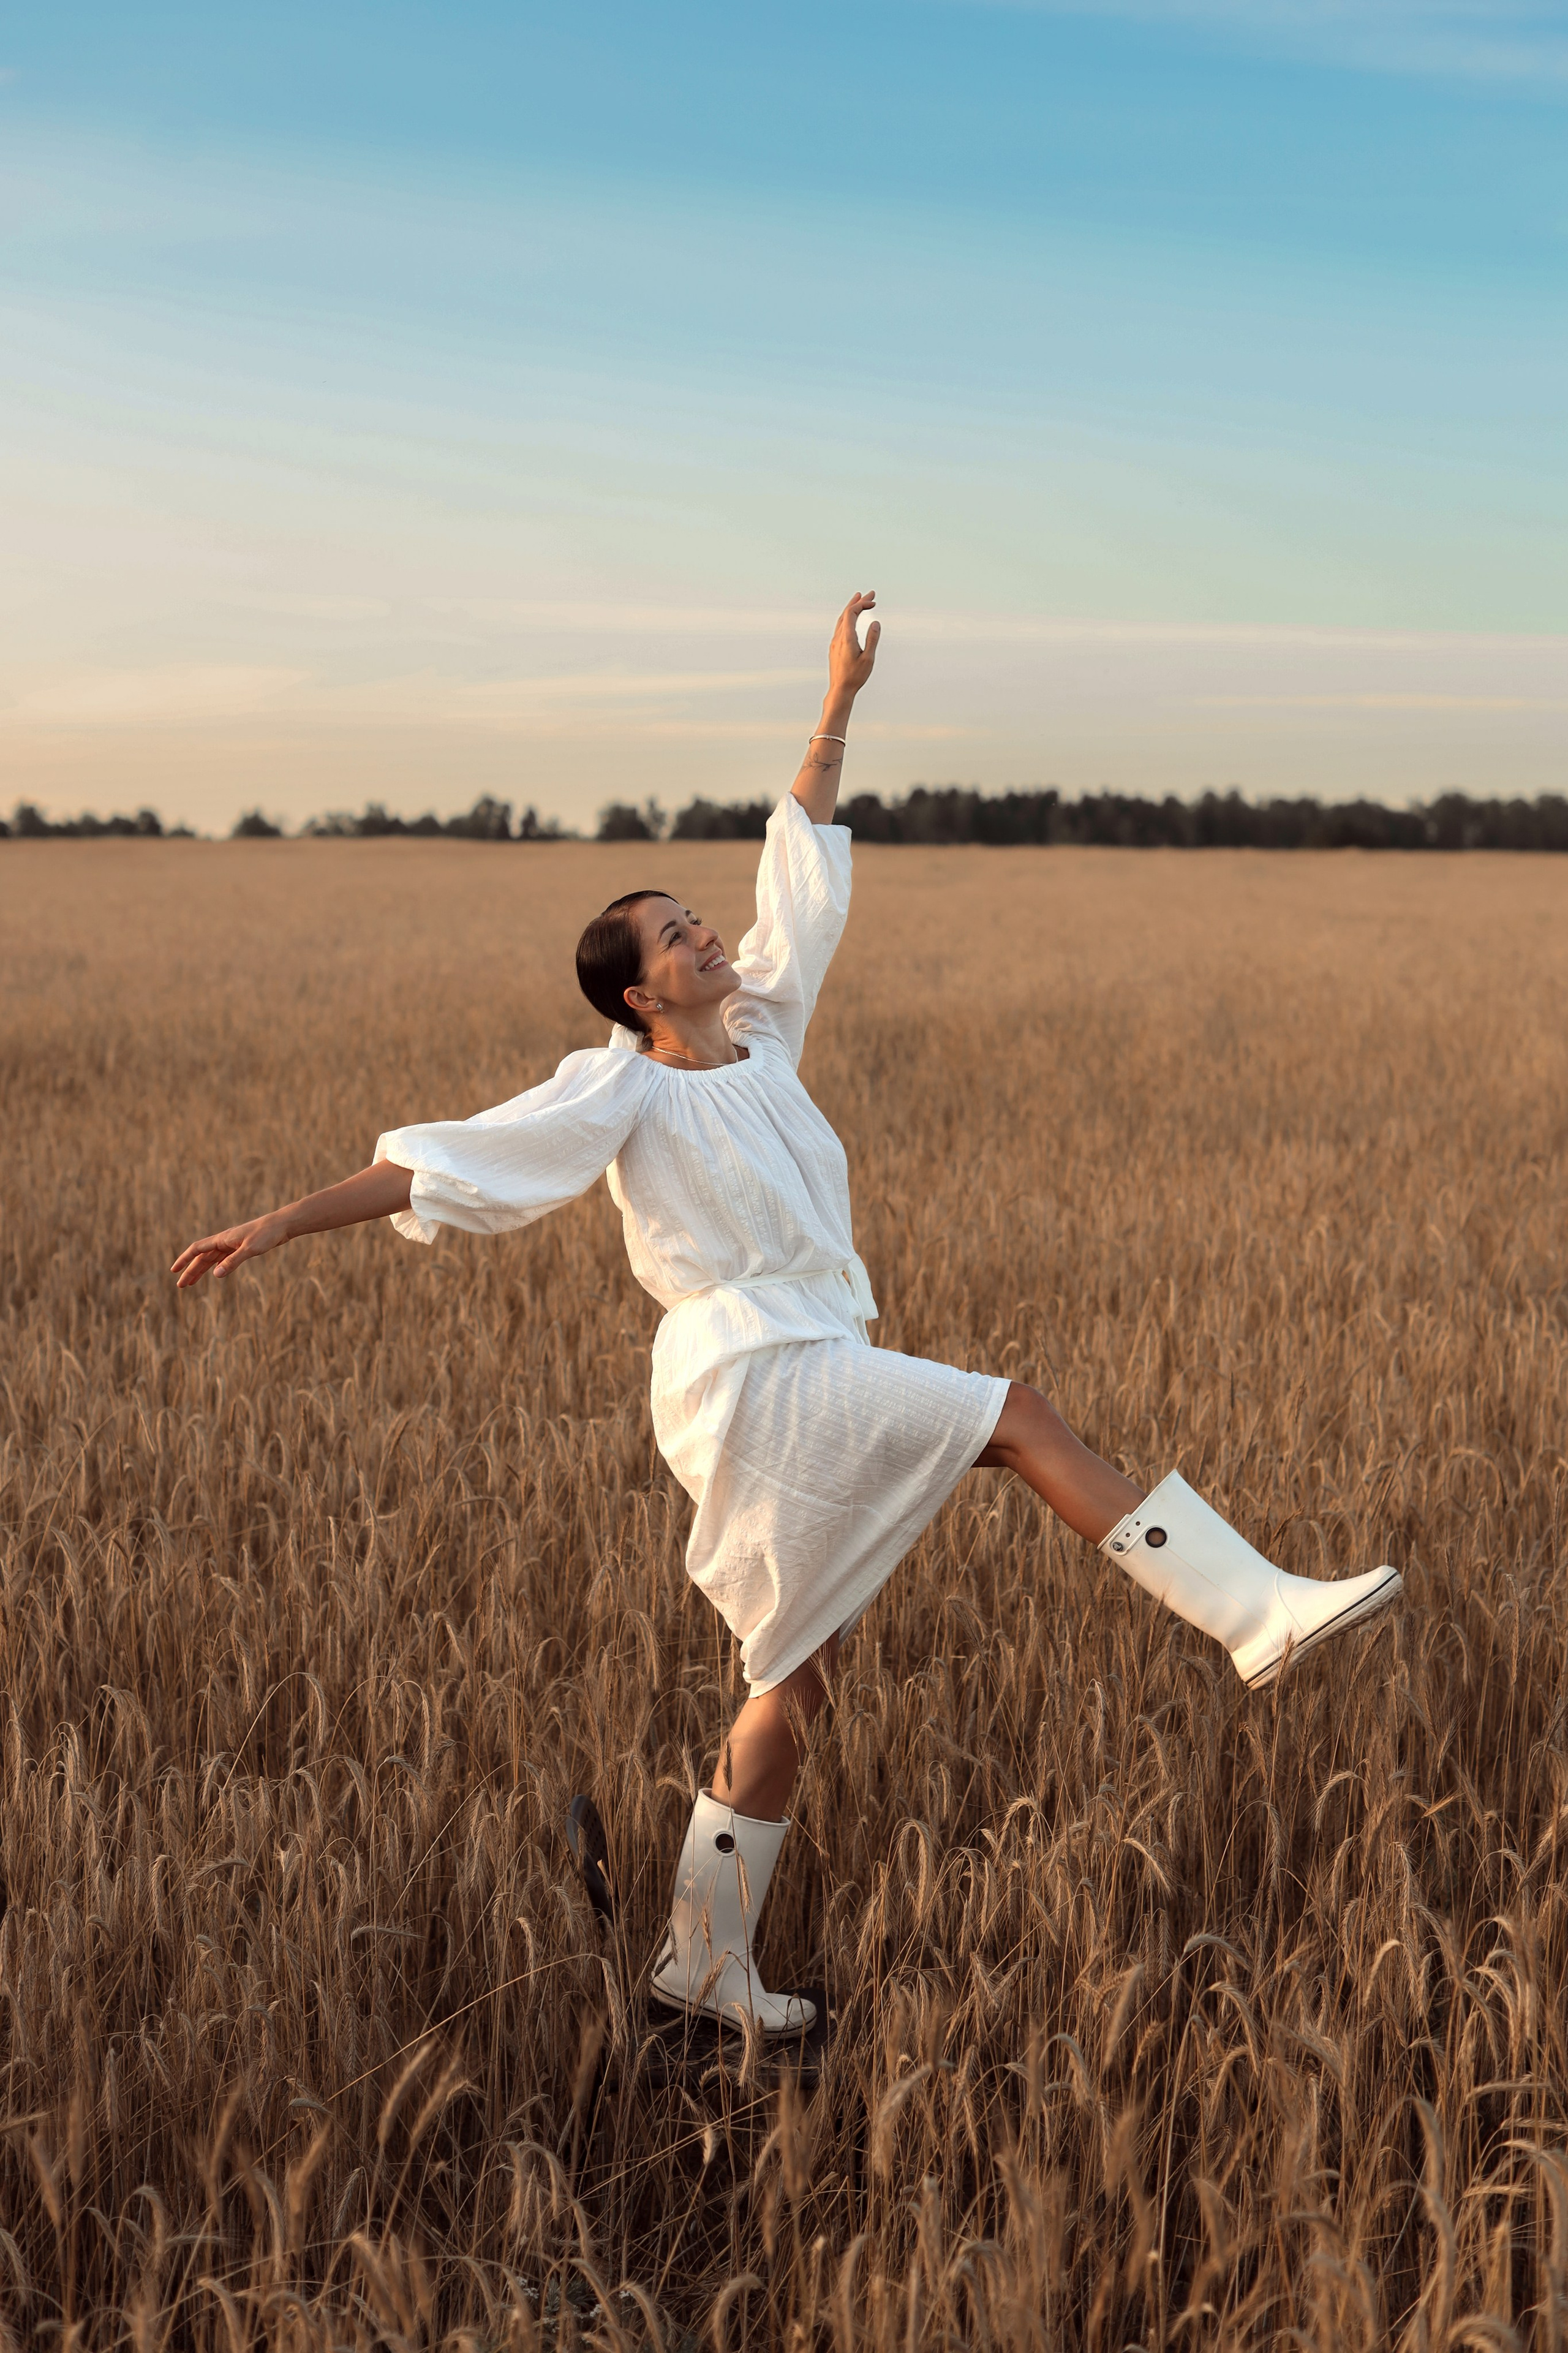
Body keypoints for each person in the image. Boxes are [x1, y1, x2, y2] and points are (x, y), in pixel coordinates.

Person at [173, 593, 1401, 2040]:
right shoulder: (617, 1086)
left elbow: (800, 860)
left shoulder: (764, 1034)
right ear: (636, 993)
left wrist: (835, 695)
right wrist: (280, 1220)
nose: (705, 933)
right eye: (675, 935)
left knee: (793, 1678)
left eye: (697, 915)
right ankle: (1250, 1609)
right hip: (749, 1369)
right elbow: (435, 1161)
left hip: (806, 1358)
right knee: (1010, 1415)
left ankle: (699, 1960)